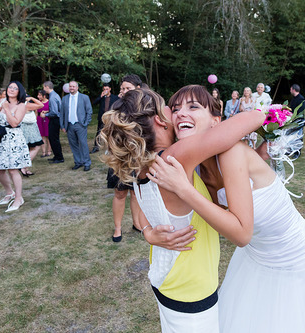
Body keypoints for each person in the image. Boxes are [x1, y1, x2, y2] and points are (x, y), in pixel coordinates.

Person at [147, 86, 305, 333]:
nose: (180, 114)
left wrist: (184, 190)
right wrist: (148, 232)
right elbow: (137, 184)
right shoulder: (192, 166)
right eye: (175, 109)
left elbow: (242, 235)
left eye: (193, 107)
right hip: (255, 260)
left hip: (295, 259)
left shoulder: (231, 153)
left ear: (216, 121)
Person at [99, 86, 264, 332]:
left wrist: (147, 232)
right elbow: (252, 118)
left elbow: (144, 210)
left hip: (167, 281)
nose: (176, 114)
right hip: (191, 295)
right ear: (159, 118)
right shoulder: (176, 157)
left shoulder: (142, 164)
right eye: (170, 107)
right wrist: (271, 114)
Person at [0, 81, 31, 212]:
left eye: (15, 88)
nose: (12, 89)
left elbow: (15, 123)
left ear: (19, 92)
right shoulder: (3, 100)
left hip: (14, 139)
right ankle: (10, 192)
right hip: (0, 138)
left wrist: (7, 110)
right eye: (10, 87)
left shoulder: (21, 105)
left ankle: (18, 198)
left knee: (13, 169)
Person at [106, 74, 144, 242]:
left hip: (138, 156)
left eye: (128, 88)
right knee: (120, 192)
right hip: (120, 155)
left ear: (138, 88)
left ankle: (137, 223)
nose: (124, 91)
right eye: (122, 88)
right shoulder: (116, 106)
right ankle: (118, 228)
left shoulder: (144, 106)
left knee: (136, 193)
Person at [60, 81, 92, 171]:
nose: (72, 88)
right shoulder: (65, 99)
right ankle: (78, 162)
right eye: (70, 86)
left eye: (73, 86)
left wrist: (86, 123)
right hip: (69, 125)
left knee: (83, 144)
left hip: (80, 125)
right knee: (73, 145)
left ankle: (86, 163)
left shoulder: (84, 97)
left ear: (77, 88)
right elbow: (62, 113)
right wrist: (62, 125)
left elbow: (89, 111)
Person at [19, 95, 44, 176]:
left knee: (28, 148)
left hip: (24, 127)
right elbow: (41, 105)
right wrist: (32, 98)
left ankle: (26, 169)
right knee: (36, 147)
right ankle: (24, 166)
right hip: (29, 128)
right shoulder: (27, 105)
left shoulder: (18, 104)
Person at [91, 83, 119, 154]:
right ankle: (96, 147)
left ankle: (112, 147)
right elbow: (94, 103)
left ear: (110, 89)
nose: (105, 90)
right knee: (99, 132)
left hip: (111, 118)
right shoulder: (102, 98)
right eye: (104, 89)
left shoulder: (114, 97)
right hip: (102, 118)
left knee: (111, 133)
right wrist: (100, 96)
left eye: (107, 89)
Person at [43, 81, 64, 164]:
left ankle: (59, 157)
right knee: (53, 138)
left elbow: (54, 112)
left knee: (54, 139)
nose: (43, 89)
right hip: (56, 119)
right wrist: (48, 111)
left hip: (55, 120)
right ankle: (56, 156)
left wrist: (46, 115)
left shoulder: (52, 97)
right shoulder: (55, 95)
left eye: (44, 87)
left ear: (47, 87)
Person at [286, 84, 305, 159]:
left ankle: (297, 152)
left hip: (298, 121)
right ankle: (290, 150)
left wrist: (294, 117)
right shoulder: (294, 98)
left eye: (291, 89)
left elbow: (300, 111)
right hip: (292, 121)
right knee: (290, 136)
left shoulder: (301, 99)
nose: (290, 90)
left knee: (298, 137)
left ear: (294, 90)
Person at [36, 90, 51, 157]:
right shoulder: (38, 102)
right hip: (39, 119)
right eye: (38, 95)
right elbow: (36, 112)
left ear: (44, 96)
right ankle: (43, 152)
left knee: (48, 136)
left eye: (39, 95)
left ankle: (49, 151)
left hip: (47, 119)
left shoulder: (49, 102)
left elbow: (52, 110)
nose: (38, 96)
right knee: (42, 136)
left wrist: (46, 111)